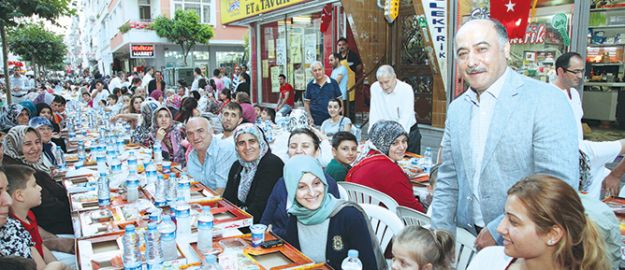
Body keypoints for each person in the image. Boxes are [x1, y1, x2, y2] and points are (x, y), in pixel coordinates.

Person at [430, 18, 579, 250]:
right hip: (464, 241)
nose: (471, 62)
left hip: (525, 246)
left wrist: (501, 228)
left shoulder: (546, 100)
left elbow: (557, 185)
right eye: (463, 53)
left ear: (506, 49)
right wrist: (440, 242)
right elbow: (448, 178)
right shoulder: (458, 109)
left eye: (482, 49)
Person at [467, 175, 611, 270]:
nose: (500, 228)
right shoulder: (489, 260)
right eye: (504, 216)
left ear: (552, 234)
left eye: (514, 222)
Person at [283, 155, 386, 269]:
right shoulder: (295, 215)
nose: (312, 193)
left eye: (316, 183)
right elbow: (294, 262)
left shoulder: (349, 216)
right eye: (302, 187)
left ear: (324, 183)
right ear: (292, 190)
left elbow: (369, 266)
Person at [260, 128, 341, 238]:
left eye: (305, 146)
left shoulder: (325, 185)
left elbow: (316, 234)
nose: (298, 151)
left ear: (317, 152)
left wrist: (275, 232)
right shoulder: (282, 182)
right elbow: (265, 221)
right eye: (293, 146)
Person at [3, 126, 73, 235]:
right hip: (58, 229)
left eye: (37, 142)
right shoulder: (21, 173)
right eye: (27, 144)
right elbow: (52, 211)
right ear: (14, 145)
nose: (35, 148)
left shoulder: (30, 165)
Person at [346, 120, 425, 212]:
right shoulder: (390, 171)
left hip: (362, 215)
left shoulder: (367, 155)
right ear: (382, 143)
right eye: (395, 143)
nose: (402, 147)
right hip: (382, 221)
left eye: (404, 141)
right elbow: (413, 209)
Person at [5, 165, 70, 269]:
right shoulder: (16, 227)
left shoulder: (28, 215)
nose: (40, 188)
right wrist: (60, 265)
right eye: (34, 185)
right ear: (19, 195)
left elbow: (42, 247)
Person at [224, 123, 283, 224]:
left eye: (252, 141)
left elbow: (259, 208)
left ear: (260, 142)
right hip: (240, 221)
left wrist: (231, 223)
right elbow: (227, 200)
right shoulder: (237, 166)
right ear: (236, 147)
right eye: (241, 143)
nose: (247, 147)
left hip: (262, 227)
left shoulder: (272, 164)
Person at [368, 65, 421, 154]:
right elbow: (374, 115)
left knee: (408, 165)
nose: (384, 86)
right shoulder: (375, 88)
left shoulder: (406, 89)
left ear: (394, 77)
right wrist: (372, 136)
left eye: (387, 82)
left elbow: (405, 118)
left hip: (407, 133)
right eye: (381, 83)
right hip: (385, 135)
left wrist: (394, 140)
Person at [186, 117, 237, 195]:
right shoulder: (192, 155)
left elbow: (221, 191)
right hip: (202, 199)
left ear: (211, 131)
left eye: (200, 131)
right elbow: (193, 186)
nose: (195, 137)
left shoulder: (224, 150)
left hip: (223, 202)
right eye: (190, 133)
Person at [304, 61, 342, 126]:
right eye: (315, 70)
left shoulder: (333, 83)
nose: (317, 72)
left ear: (323, 70)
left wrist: (340, 119)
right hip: (315, 122)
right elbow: (306, 103)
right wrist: (309, 117)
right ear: (312, 73)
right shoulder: (310, 85)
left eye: (319, 69)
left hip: (332, 121)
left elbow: (340, 100)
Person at [337, 37, 363, 120]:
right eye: (339, 45)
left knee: (350, 103)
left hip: (350, 82)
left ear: (347, 45)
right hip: (340, 83)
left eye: (343, 45)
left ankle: (351, 122)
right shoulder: (337, 56)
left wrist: (353, 71)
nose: (341, 47)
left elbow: (359, 66)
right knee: (340, 102)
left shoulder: (352, 55)